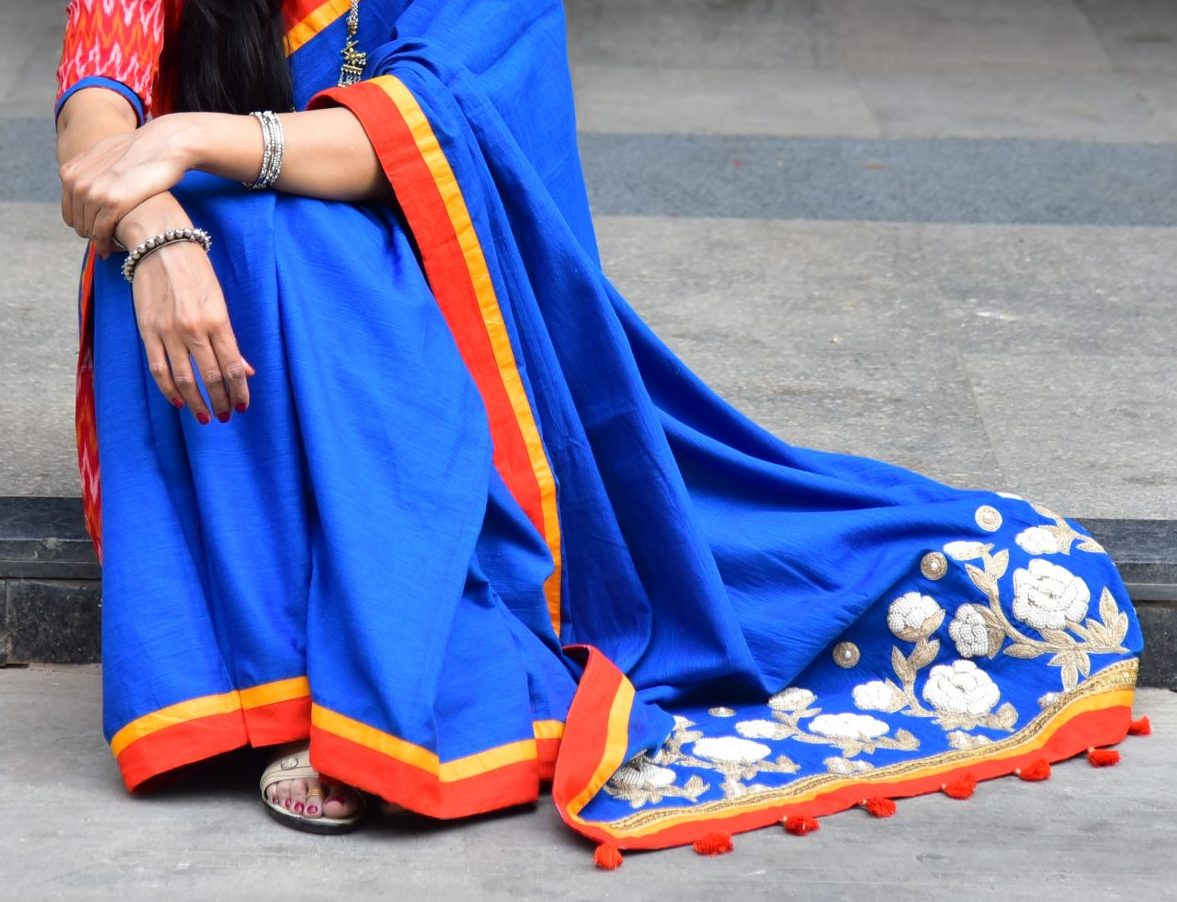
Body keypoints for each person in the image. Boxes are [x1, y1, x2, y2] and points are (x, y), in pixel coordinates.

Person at [55, 0, 1143, 855]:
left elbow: (422, 135)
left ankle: (380, 683)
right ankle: (290, 679)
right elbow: (94, 121)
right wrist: (156, 226)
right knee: (207, 234)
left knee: (295, 234)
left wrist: (194, 138)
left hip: (450, 326)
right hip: (215, 321)